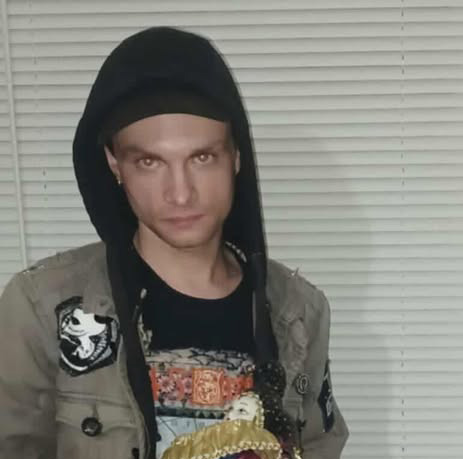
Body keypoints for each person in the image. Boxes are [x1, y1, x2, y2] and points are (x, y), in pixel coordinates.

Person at [0, 26, 348, 459]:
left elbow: (318, 444)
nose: (180, 193)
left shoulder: (298, 312)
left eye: (202, 157)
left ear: (236, 155)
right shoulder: (43, 309)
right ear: (114, 164)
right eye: (149, 161)